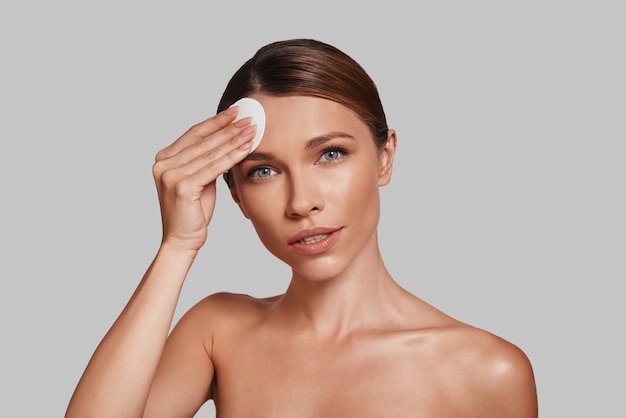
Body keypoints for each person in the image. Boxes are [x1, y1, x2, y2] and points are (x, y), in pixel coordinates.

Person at [66, 38, 538, 417]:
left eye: (330, 154)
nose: (302, 202)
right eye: (263, 171)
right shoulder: (218, 333)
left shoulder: (487, 372)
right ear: (236, 196)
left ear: (384, 157)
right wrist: (178, 245)